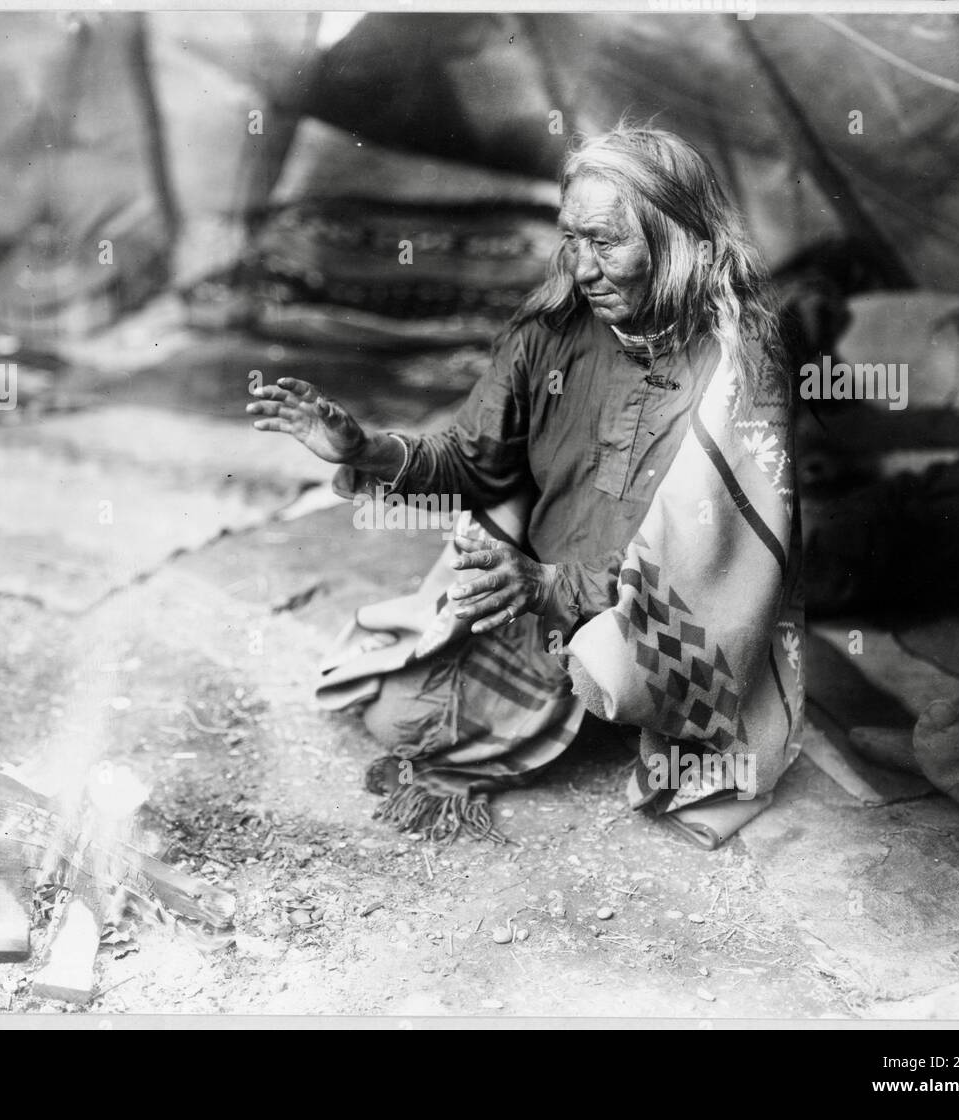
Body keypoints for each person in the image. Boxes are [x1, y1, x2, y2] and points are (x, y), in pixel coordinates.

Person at [248, 121, 806, 844]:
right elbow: (475, 462)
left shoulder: (739, 362)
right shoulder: (551, 329)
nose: (580, 267)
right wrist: (371, 449)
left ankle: (626, 706)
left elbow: (705, 567)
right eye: (570, 238)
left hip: (658, 629)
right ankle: (574, 693)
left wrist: (550, 588)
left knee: (645, 714)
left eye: (605, 241)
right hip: (536, 600)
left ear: (679, 239)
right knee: (399, 716)